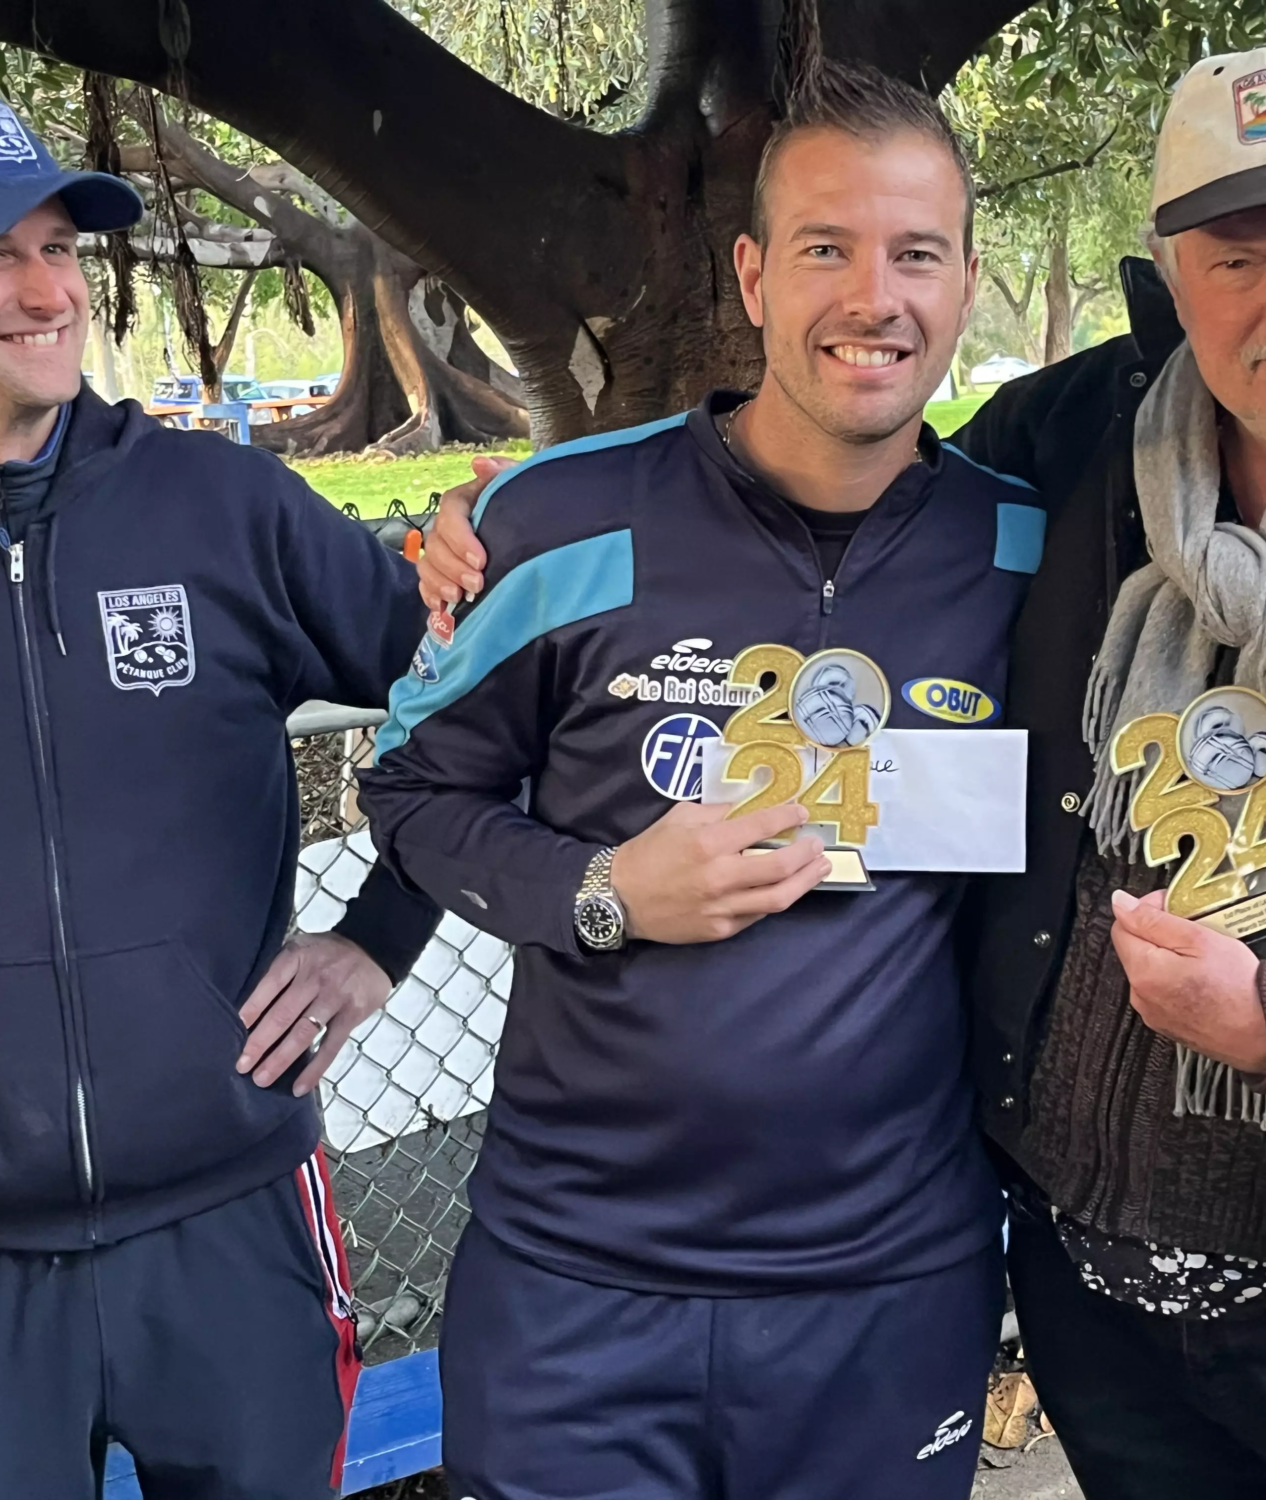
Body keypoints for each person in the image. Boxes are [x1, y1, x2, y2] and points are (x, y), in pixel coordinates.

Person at [416, 43, 1266, 1499]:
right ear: (1170, 270)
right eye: (1234, 259)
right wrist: (504, 523)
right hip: (1085, 1293)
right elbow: (839, 494)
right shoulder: (1074, 448)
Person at [0, 92, 443, 1499]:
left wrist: (381, 935)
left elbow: (473, 707)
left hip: (238, 1222)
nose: (51, 288)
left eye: (62, 246)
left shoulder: (221, 506)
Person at [359, 58, 1041, 1500]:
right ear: (749, 276)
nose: (876, 295)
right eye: (825, 249)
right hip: (578, 1290)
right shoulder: (553, 524)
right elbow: (412, 792)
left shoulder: (1034, 557)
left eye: (916, 252)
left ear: (968, 281)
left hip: (888, 1291)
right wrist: (603, 891)